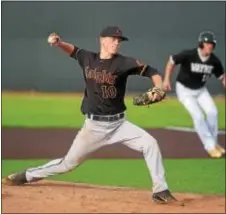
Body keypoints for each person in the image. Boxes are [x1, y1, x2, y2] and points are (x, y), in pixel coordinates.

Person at [3, 26, 177, 204]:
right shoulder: (88, 58)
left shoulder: (124, 62)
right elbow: (74, 51)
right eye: (113, 39)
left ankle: (160, 190)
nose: (117, 43)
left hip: (119, 125)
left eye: (119, 40)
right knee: (67, 164)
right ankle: (26, 175)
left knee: (150, 144)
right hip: (94, 128)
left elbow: (152, 71)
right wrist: (59, 43)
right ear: (102, 40)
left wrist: (158, 87)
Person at [163, 31, 225, 158]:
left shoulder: (214, 61)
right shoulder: (189, 54)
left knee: (213, 112)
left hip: (201, 90)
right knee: (198, 116)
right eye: (207, 44)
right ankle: (209, 147)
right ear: (200, 44)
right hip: (185, 90)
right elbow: (171, 61)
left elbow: (222, 77)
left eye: (211, 44)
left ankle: (213, 143)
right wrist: (166, 79)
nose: (209, 47)